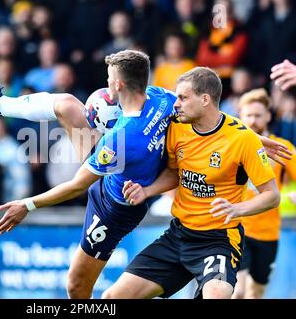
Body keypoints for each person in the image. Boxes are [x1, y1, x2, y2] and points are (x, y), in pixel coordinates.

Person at [0, 50, 177, 299]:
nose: (106, 83)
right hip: (123, 165)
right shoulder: (162, 98)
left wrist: (28, 205)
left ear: (119, 84)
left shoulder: (120, 139)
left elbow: (76, 186)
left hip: (113, 209)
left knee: (76, 286)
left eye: (108, 79)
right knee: (67, 105)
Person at [109, 67, 280, 299]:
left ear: (205, 99)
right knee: (112, 298)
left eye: (183, 97)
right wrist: (147, 190)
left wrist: (236, 208)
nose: (176, 103)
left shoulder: (243, 140)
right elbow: (173, 172)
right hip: (179, 234)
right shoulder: (177, 127)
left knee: (218, 296)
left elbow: (272, 195)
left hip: (218, 240)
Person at [232, 88, 296, 299]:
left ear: (268, 116)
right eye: (248, 115)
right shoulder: (232, 145)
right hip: (237, 228)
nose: (253, 120)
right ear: (241, 115)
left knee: (255, 294)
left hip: (268, 232)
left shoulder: (281, 148)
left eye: (258, 115)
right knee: (238, 291)